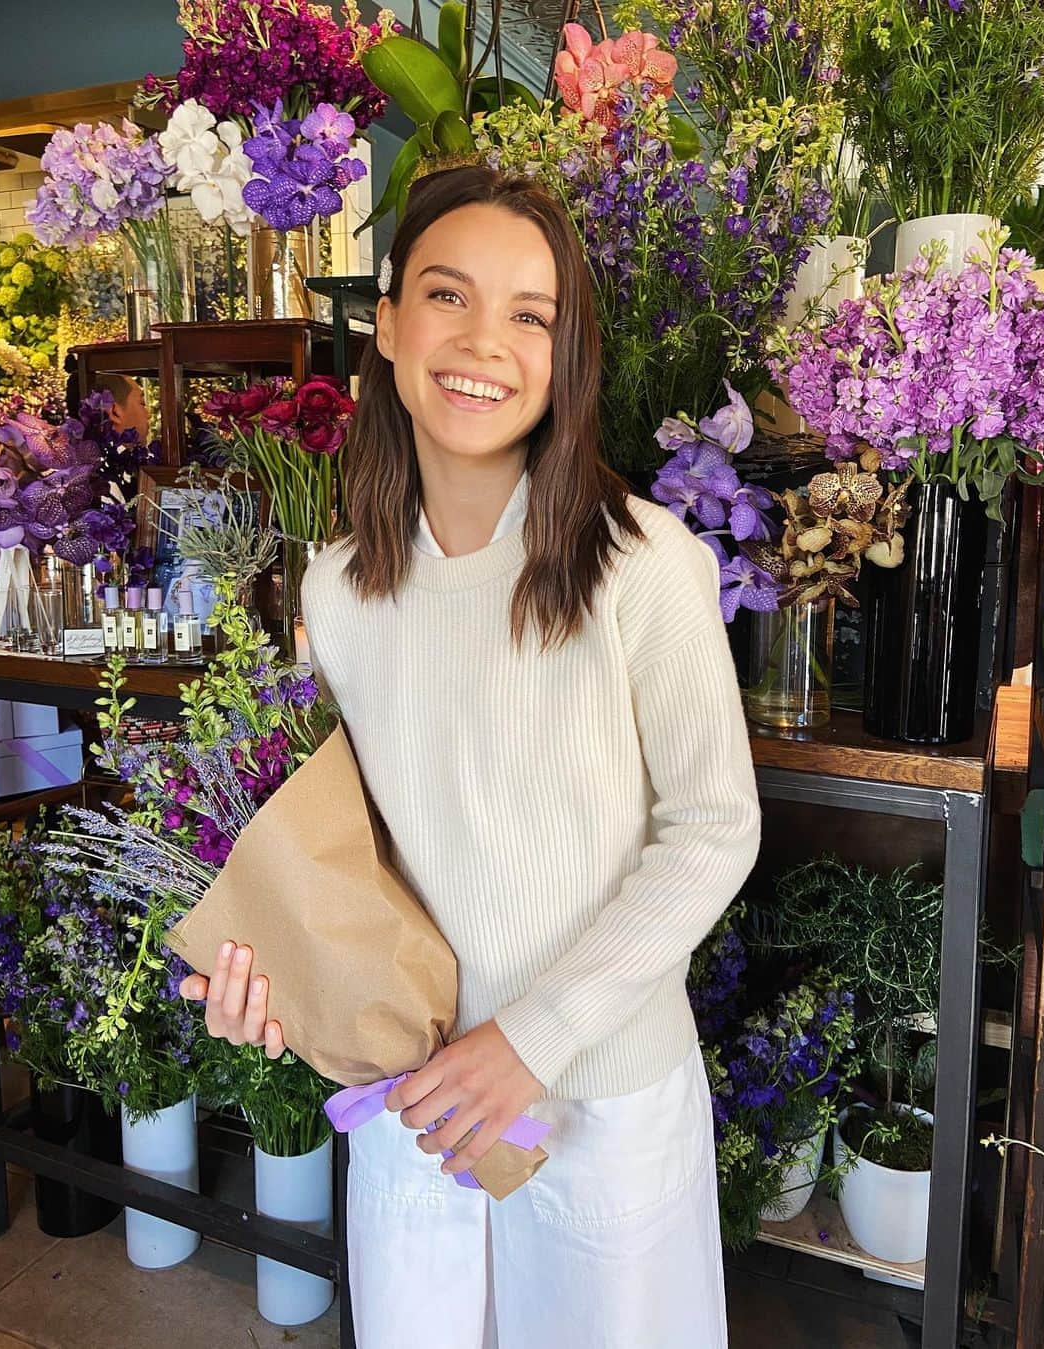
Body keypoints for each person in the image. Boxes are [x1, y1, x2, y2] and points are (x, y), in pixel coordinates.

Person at [180, 165, 761, 1348]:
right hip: (419, 1105)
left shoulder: (644, 565)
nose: (484, 341)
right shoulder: (341, 589)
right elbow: (357, 851)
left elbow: (714, 826)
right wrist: (279, 977)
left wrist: (535, 1036)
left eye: (530, 314)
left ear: (564, 354)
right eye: (447, 295)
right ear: (387, 324)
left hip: (598, 1101)